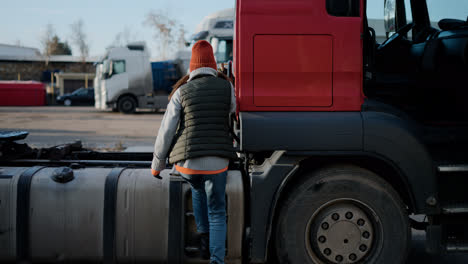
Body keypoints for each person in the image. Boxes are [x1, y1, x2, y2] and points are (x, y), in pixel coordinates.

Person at [151, 40, 236, 264]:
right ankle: (216, 260)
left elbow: (166, 130)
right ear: (213, 64)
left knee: (197, 189)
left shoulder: (182, 90)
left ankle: (204, 240)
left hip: (187, 164)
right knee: (217, 209)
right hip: (218, 161)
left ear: (192, 66)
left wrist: (157, 165)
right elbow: (233, 115)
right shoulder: (227, 87)